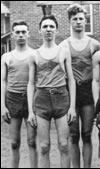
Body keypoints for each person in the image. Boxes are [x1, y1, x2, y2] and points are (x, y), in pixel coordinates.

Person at [27, 15, 76, 168]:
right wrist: (30, 111)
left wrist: (72, 107)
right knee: (43, 146)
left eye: (51, 27)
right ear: (40, 30)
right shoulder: (34, 54)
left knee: (63, 144)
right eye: (45, 27)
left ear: (56, 29)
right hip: (42, 99)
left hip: (61, 97)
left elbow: (71, 80)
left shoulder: (64, 51)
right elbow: (30, 83)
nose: (48, 30)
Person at [59, 4, 100, 168]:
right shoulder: (63, 45)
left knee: (87, 133)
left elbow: (99, 73)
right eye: (74, 19)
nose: (78, 22)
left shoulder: (94, 44)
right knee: (74, 135)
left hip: (88, 92)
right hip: (70, 92)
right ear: (70, 21)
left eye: (81, 19)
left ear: (85, 21)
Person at [1, 20, 38, 168]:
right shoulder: (6, 57)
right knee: (14, 143)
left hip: (31, 99)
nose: (21, 35)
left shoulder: (35, 54)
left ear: (28, 34)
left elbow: (36, 80)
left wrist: (32, 109)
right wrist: (2, 106)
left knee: (31, 141)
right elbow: (3, 81)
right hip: (12, 99)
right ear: (13, 35)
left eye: (24, 32)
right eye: (18, 32)